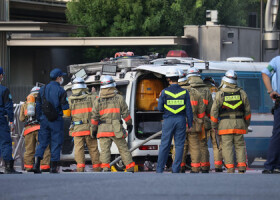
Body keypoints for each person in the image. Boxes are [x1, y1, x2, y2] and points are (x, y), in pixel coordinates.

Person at [91, 75, 135, 172]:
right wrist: (129, 124)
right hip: (116, 129)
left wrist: (93, 130)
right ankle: (130, 168)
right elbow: (125, 113)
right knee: (123, 149)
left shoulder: (97, 100)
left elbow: (94, 118)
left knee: (104, 151)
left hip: (102, 129)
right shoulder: (119, 98)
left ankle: (106, 168)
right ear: (113, 86)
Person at [211, 70, 251, 173]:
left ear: (225, 80)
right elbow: (247, 111)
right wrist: (246, 124)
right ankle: (242, 168)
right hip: (239, 123)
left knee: (227, 147)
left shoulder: (220, 94)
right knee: (240, 146)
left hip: (225, 125)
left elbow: (214, 111)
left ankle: (230, 169)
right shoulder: (242, 93)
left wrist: (214, 125)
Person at [157, 68, 193, 173]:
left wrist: (160, 99)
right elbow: (189, 110)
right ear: (178, 78)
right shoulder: (185, 92)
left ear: (168, 79)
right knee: (179, 145)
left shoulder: (164, 92)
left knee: (165, 145)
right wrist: (190, 124)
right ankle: (176, 169)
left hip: (168, 120)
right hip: (181, 120)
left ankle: (159, 169)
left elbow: (160, 109)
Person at [33, 68, 69, 173]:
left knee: (42, 142)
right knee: (56, 142)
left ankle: (36, 164)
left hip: (44, 120)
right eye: (61, 76)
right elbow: (65, 107)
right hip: (56, 120)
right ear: (58, 78)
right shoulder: (61, 91)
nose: (62, 78)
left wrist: (40, 118)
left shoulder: (42, 89)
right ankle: (53, 167)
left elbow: (38, 106)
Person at [172, 69, 205, 173]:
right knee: (195, 147)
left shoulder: (171, 92)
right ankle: (195, 168)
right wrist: (198, 120)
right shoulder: (195, 93)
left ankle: (179, 167)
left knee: (179, 146)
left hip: (177, 124)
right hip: (193, 124)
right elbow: (201, 111)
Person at [68, 77, 101, 172]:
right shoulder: (92, 97)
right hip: (89, 128)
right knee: (93, 149)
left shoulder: (70, 99)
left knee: (78, 150)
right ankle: (97, 168)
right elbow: (100, 105)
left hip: (77, 129)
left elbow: (65, 115)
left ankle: (80, 168)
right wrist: (94, 93)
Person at [19, 86, 51, 172]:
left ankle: (29, 167)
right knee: (44, 147)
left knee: (29, 149)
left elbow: (21, 119)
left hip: (29, 129)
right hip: (41, 128)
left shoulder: (25, 103)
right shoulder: (44, 101)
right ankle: (45, 167)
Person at [187, 67, 212, 173]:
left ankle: (183, 166)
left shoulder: (186, 89)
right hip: (203, 121)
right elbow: (210, 108)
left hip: (188, 121)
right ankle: (205, 167)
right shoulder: (206, 90)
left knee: (185, 145)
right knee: (202, 144)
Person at [0, 67, 21, 174]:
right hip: (0, 120)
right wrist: (11, 121)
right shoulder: (4, 90)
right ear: (0, 76)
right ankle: (8, 167)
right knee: (6, 142)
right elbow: (8, 107)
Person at [261, 56, 280, 174]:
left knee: (277, 134)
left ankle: (271, 165)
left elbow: (265, 73)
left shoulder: (277, 60)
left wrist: (270, 91)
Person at [203, 77, 223, 172]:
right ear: (213, 83)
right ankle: (218, 166)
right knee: (217, 145)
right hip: (215, 121)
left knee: (203, 145)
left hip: (205, 121)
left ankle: (205, 166)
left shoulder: (201, 91)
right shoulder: (217, 91)